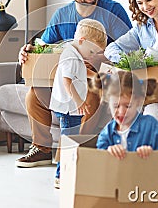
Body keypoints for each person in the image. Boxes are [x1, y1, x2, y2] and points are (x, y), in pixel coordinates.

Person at [16, 0, 132, 168]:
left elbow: (131, 49)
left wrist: (101, 58)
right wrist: (27, 50)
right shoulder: (61, 16)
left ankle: (72, 156)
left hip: (99, 77)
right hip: (67, 75)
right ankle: (41, 149)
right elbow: (44, 45)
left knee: (89, 96)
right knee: (34, 95)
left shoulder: (113, 11)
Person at [50, 18, 107, 188]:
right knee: (68, 139)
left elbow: (83, 71)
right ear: (82, 41)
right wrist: (79, 101)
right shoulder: (70, 57)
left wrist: (97, 76)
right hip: (69, 107)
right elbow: (67, 81)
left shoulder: (76, 54)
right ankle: (61, 174)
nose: (92, 56)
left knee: (72, 137)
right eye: (92, 52)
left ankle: (68, 170)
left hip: (72, 107)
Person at [93, 71, 158, 159]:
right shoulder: (107, 131)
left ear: (138, 101)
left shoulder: (151, 125)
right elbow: (100, 158)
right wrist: (108, 151)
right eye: (116, 106)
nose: (122, 112)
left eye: (128, 106)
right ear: (108, 104)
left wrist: (152, 153)